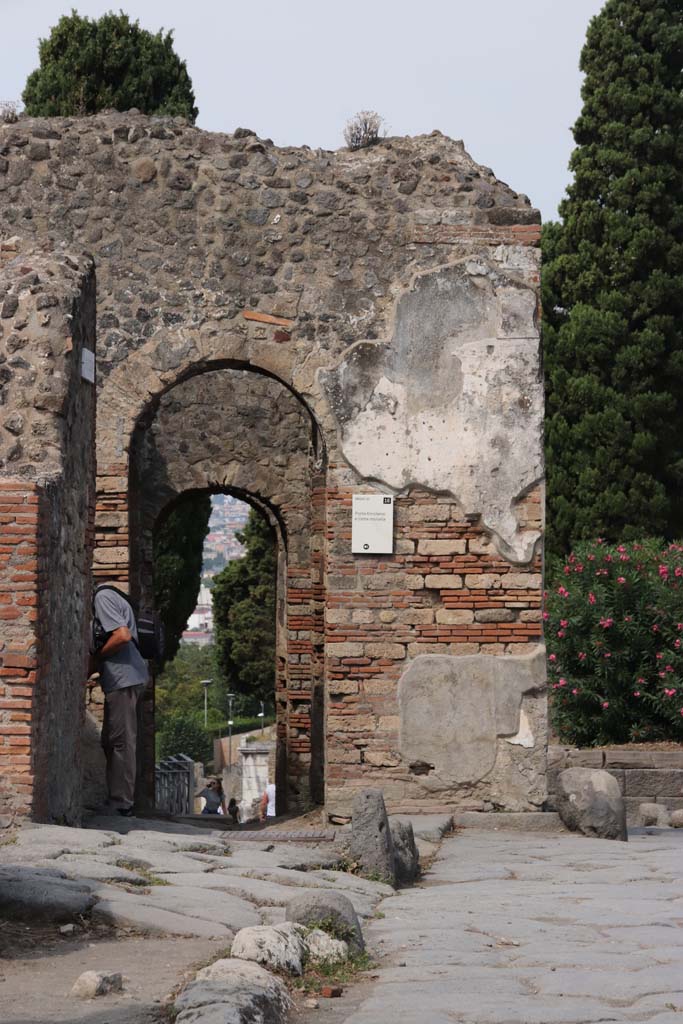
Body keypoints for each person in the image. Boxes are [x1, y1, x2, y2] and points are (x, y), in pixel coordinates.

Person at [90, 584, 150, 817]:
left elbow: (122, 636)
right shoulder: (109, 595)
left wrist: (97, 658)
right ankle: (117, 798)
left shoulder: (102, 597)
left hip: (124, 679)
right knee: (112, 739)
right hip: (125, 677)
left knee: (121, 741)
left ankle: (121, 803)